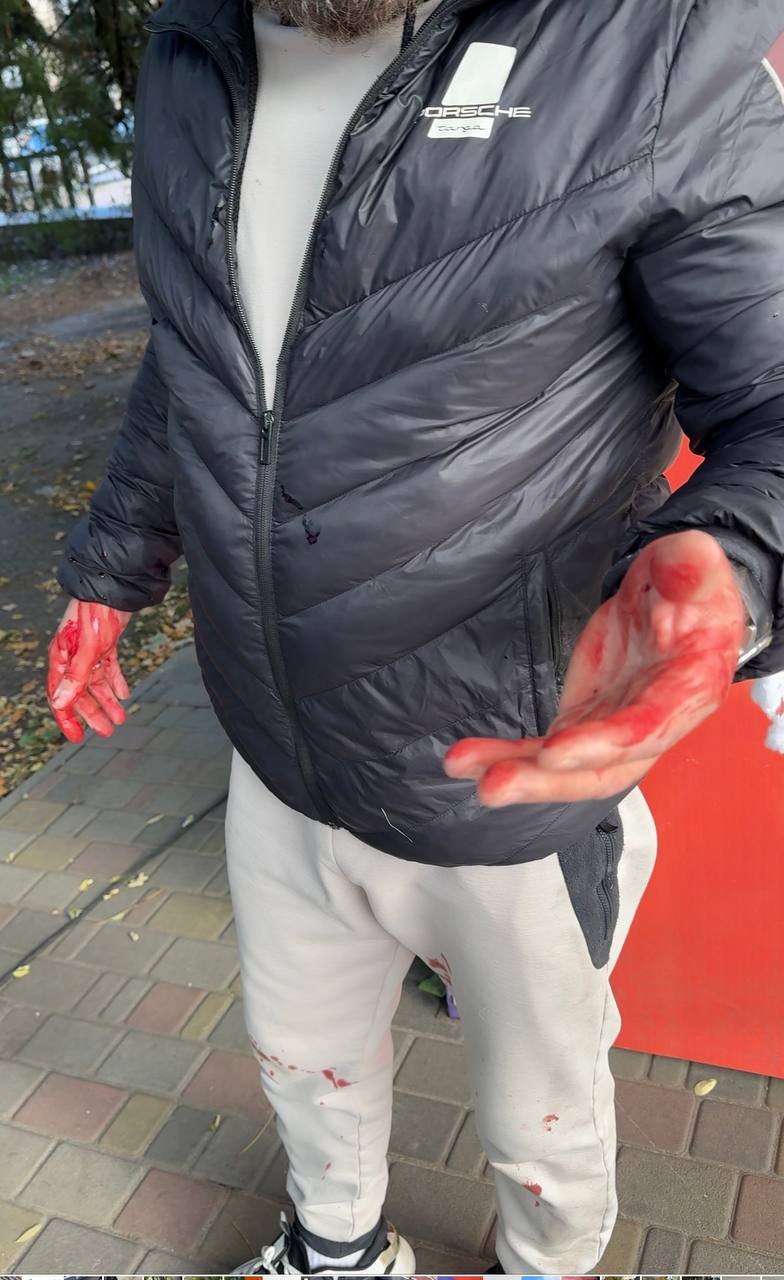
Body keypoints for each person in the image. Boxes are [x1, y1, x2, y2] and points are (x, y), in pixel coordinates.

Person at [46, 0, 784, 1272]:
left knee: (540, 1097)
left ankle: (546, 1262)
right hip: (274, 740)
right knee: (301, 1051)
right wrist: (112, 568)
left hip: (504, 758)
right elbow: (194, 352)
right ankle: (335, 1250)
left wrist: (736, 559)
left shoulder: (647, 37)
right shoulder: (185, 52)